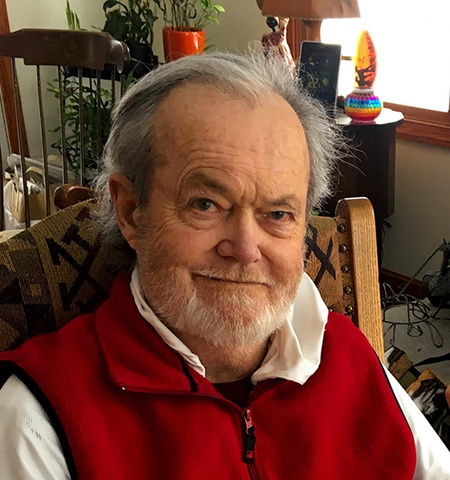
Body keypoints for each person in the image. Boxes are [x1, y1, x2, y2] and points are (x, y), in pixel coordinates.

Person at [0, 52, 449, 479]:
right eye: (206, 203)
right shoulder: (39, 418)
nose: (246, 247)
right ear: (132, 212)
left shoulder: (348, 351)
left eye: (278, 214)